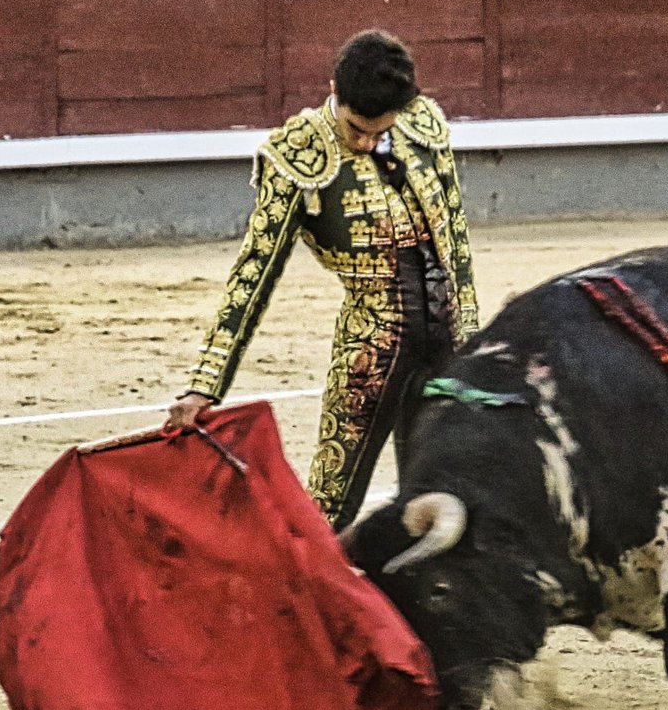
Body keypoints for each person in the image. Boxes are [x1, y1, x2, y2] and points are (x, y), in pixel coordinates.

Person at [165, 29, 479, 531]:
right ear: (333, 88)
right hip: (371, 347)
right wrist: (207, 383)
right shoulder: (299, 156)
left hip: (447, 342)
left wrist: (472, 344)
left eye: (379, 131)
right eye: (356, 128)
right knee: (329, 510)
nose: (365, 142)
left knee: (451, 497)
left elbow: (455, 240)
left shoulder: (424, 127)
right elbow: (255, 272)